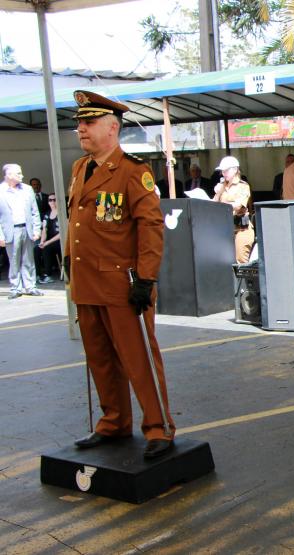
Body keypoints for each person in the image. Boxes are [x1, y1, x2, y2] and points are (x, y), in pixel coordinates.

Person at [65, 90, 175, 459]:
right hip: (86, 282)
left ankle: (158, 428)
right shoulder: (81, 168)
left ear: (112, 128)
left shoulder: (133, 171)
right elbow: (75, 222)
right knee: (100, 358)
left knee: (137, 358)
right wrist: (68, 262)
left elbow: (151, 227)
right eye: (80, 122)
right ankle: (113, 422)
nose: (81, 128)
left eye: (89, 122)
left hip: (121, 284)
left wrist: (145, 278)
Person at [0, 163, 43, 299]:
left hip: (27, 228)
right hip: (10, 230)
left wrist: (37, 229)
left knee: (28, 259)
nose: (22, 175)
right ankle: (15, 287)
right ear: (9, 175)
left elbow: (34, 211)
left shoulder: (27, 189)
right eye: (18, 173)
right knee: (13, 259)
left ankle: (31, 286)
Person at [213, 156, 254, 264]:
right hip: (225, 228)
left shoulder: (243, 186)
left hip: (241, 228)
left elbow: (238, 205)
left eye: (226, 170)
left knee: (240, 260)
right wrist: (217, 193)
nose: (223, 173)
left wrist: (222, 204)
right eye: (222, 171)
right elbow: (212, 204)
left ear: (235, 170)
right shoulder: (221, 186)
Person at [38, 193, 61, 283]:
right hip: (50, 240)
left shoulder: (63, 213)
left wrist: (47, 242)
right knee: (37, 249)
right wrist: (42, 241)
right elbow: (44, 229)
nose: (52, 202)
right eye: (50, 200)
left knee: (47, 248)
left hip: (59, 240)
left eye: (54, 200)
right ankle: (38, 274)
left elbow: (62, 232)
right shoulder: (47, 214)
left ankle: (48, 274)